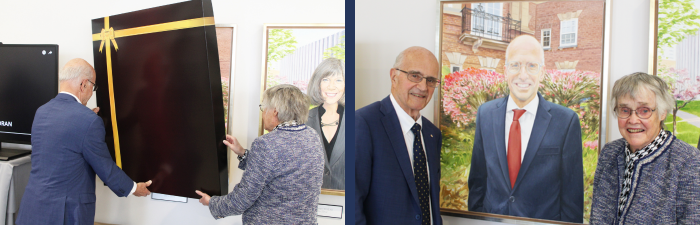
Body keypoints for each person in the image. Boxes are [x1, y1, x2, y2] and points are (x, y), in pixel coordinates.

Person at [16, 58, 152, 225]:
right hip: (65, 214)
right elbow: (105, 168)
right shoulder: (87, 121)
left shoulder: (41, 112)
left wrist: (87, 121)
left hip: (32, 208)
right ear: (84, 84)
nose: (92, 92)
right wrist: (133, 188)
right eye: (93, 86)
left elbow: (61, 146)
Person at [467, 35, 584, 223]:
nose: (523, 74)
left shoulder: (566, 122)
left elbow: (572, 197)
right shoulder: (485, 114)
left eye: (531, 66)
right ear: (505, 71)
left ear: (542, 72)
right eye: (515, 65)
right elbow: (477, 182)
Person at [195, 84, 324, 224]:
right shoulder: (312, 136)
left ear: (275, 112)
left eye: (264, 108)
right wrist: (242, 152)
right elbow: (283, 168)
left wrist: (212, 203)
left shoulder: (266, 144)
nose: (263, 114)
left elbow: (243, 198)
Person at [590, 72, 700, 224]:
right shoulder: (609, 152)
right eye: (625, 110)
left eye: (644, 111)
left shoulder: (689, 161)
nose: (633, 120)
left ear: (662, 113)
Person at [356, 46, 443, 225]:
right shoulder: (364, 123)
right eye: (415, 76)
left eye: (431, 80)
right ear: (394, 76)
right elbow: (353, 205)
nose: (423, 87)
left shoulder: (432, 134)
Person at [306, 58, 345, 190]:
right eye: (326, 80)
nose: (331, 86)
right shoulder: (304, 119)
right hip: (311, 199)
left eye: (338, 80)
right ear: (317, 83)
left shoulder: (358, 120)